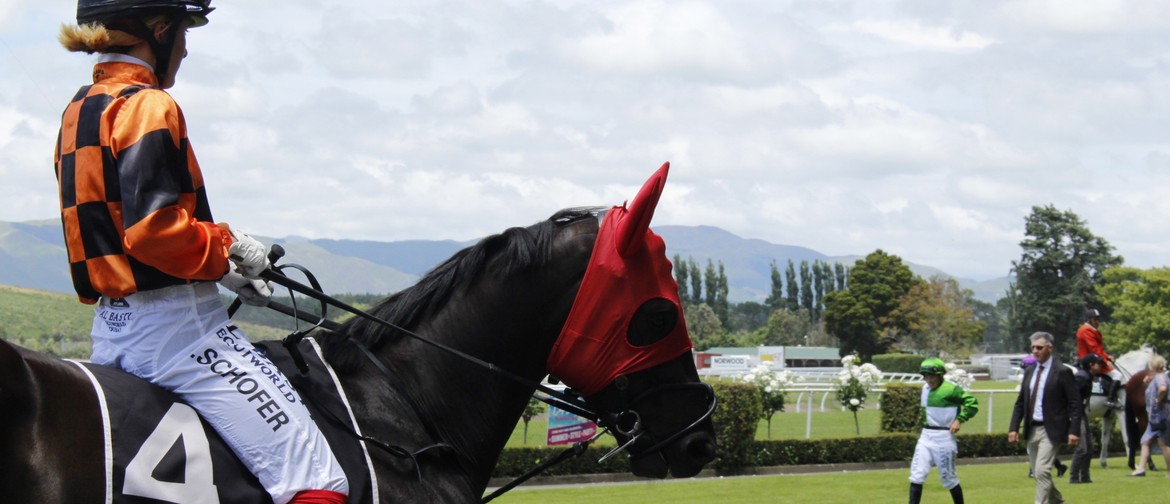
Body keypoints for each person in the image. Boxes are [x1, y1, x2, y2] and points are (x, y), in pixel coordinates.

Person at [55, 1, 348, 503]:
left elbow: (121, 228)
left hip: (112, 332)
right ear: (159, 29)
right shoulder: (148, 104)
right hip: (178, 332)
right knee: (319, 482)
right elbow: (152, 231)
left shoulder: (79, 108)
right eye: (185, 33)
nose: (186, 50)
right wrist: (226, 245)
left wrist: (223, 273)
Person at [1009, 332, 1080, 504]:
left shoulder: (1062, 371)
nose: (1035, 351)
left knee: (1042, 471)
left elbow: (1075, 403)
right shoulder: (1030, 371)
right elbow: (1020, 403)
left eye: (1039, 347)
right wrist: (1013, 427)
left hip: (1052, 429)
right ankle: (1059, 502)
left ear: (1050, 347)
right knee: (1039, 473)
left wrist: (1074, 431)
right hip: (1031, 428)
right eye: (1033, 347)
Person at [908, 358, 978, 504]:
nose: (929, 380)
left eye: (932, 376)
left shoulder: (951, 389)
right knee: (917, 475)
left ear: (940, 375)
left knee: (949, 478)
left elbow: (972, 403)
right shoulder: (924, 388)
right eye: (926, 376)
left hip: (944, 437)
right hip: (926, 436)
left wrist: (960, 419)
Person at [1068, 353, 1105, 484]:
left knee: (1088, 447)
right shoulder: (1082, 377)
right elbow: (1072, 398)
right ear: (1091, 365)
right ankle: (1073, 477)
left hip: (1081, 413)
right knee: (1082, 447)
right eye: (1098, 363)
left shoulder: (1087, 376)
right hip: (1076, 414)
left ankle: (1085, 477)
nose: (1100, 365)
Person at [1130, 355, 1170, 477]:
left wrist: (1159, 400)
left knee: (1164, 443)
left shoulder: (1160, 377)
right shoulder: (1162, 376)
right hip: (1156, 415)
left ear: (1152, 367)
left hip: (1160, 415)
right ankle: (1141, 468)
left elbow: (1163, 388)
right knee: (1145, 441)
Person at [1076, 309, 1122, 407]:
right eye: (1095, 319)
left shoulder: (1091, 330)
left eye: (1098, 319)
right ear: (1089, 320)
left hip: (1095, 357)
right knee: (1117, 375)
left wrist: (1108, 356)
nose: (1097, 322)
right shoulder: (1086, 330)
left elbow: (1099, 349)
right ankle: (1110, 401)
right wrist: (1105, 362)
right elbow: (1094, 349)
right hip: (1091, 360)